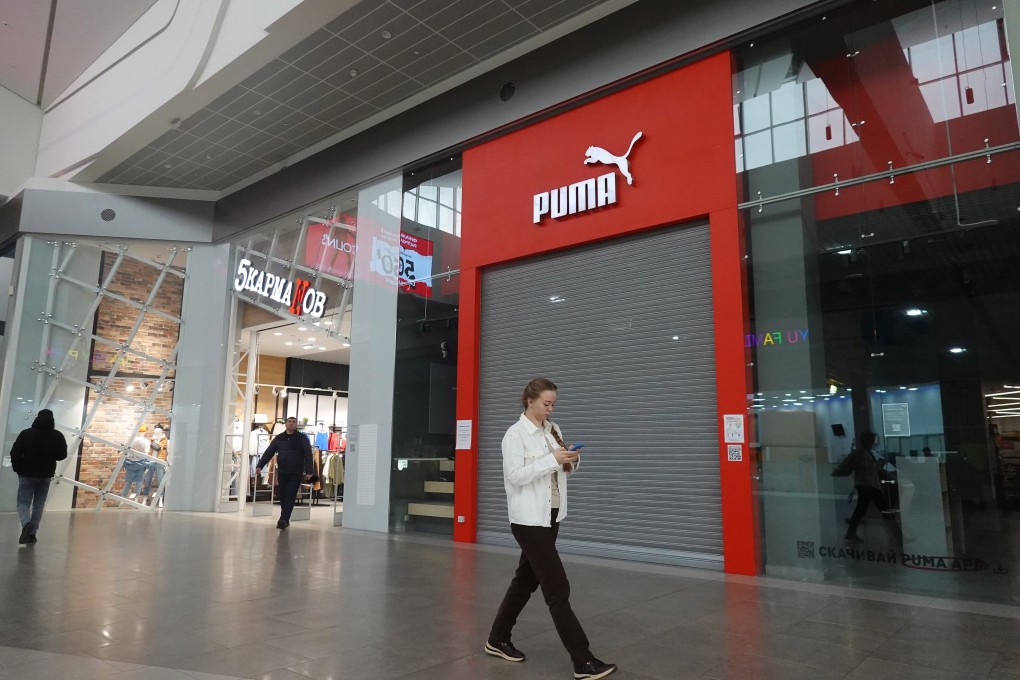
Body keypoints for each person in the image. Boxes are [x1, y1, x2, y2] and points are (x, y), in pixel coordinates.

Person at [485, 378, 617, 680]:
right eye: (546, 403)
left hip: (551, 515)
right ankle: (582, 661)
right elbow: (515, 476)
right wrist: (550, 460)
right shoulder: (515, 435)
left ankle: (497, 638)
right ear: (529, 401)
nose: (550, 408)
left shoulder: (553, 429)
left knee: (525, 581)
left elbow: (562, 469)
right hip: (528, 520)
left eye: (553, 404)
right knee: (556, 587)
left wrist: (571, 458)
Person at [10, 409, 68, 544]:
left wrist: (17, 468)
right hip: (45, 475)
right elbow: (61, 456)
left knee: (23, 502)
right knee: (39, 503)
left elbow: (15, 452)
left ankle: (26, 525)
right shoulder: (58, 435)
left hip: (26, 474)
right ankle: (32, 534)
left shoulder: (26, 434)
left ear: (37, 419)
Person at [832, 431, 901, 543]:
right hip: (868, 486)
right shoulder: (862, 453)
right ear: (867, 440)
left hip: (866, 485)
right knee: (884, 510)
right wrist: (879, 464)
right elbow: (867, 468)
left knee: (861, 510)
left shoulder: (864, 452)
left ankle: (851, 533)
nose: (873, 442)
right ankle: (898, 537)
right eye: (872, 440)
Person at [256, 416, 313, 529]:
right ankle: (285, 518)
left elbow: (308, 454)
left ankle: (284, 519)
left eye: (294, 422)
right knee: (282, 495)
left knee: (290, 495)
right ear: (286, 424)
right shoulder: (279, 438)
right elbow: (269, 452)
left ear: (296, 424)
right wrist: (260, 465)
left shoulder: (302, 438)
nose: (291, 424)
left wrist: (309, 471)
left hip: (296, 471)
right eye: (290, 422)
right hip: (282, 471)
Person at [140, 425, 169, 504]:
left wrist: (167, 463)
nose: (157, 432)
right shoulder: (151, 440)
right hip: (151, 461)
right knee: (147, 481)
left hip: (160, 462)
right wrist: (146, 462)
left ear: (161, 431)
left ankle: (160, 499)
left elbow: (168, 452)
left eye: (158, 430)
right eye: (156, 430)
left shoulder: (166, 440)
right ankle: (145, 498)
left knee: (161, 481)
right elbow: (148, 452)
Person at [122, 425, 151, 499]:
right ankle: (136, 500)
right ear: (144, 432)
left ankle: (122, 499)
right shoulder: (146, 441)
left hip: (130, 463)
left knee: (128, 481)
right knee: (139, 482)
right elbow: (146, 454)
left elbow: (126, 453)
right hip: (141, 463)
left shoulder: (130, 441)